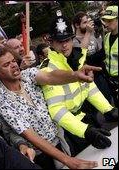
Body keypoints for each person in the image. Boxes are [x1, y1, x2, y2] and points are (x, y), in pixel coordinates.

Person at [0, 46, 100, 169]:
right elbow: (31, 136)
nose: (13, 65)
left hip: (61, 139)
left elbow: (51, 76)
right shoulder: (3, 102)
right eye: (6, 64)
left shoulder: (28, 75)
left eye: (13, 61)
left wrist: (75, 75)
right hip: (42, 155)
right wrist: (68, 161)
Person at [41, 10, 118, 156]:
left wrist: (108, 109)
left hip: (87, 117)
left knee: (109, 155)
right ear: (51, 42)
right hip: (71, 128)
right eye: (59, 41)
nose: (65, 45)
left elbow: (89, 88)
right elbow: (56, 110)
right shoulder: (47, 69)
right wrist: (84, 131)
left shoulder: (78, 57)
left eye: (67, 40)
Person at [101, 5, 118, 106]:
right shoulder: (106, 37)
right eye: (105, 20)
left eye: (110, 21)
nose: (106, 24)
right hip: (111, 80)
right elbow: (103, 54)